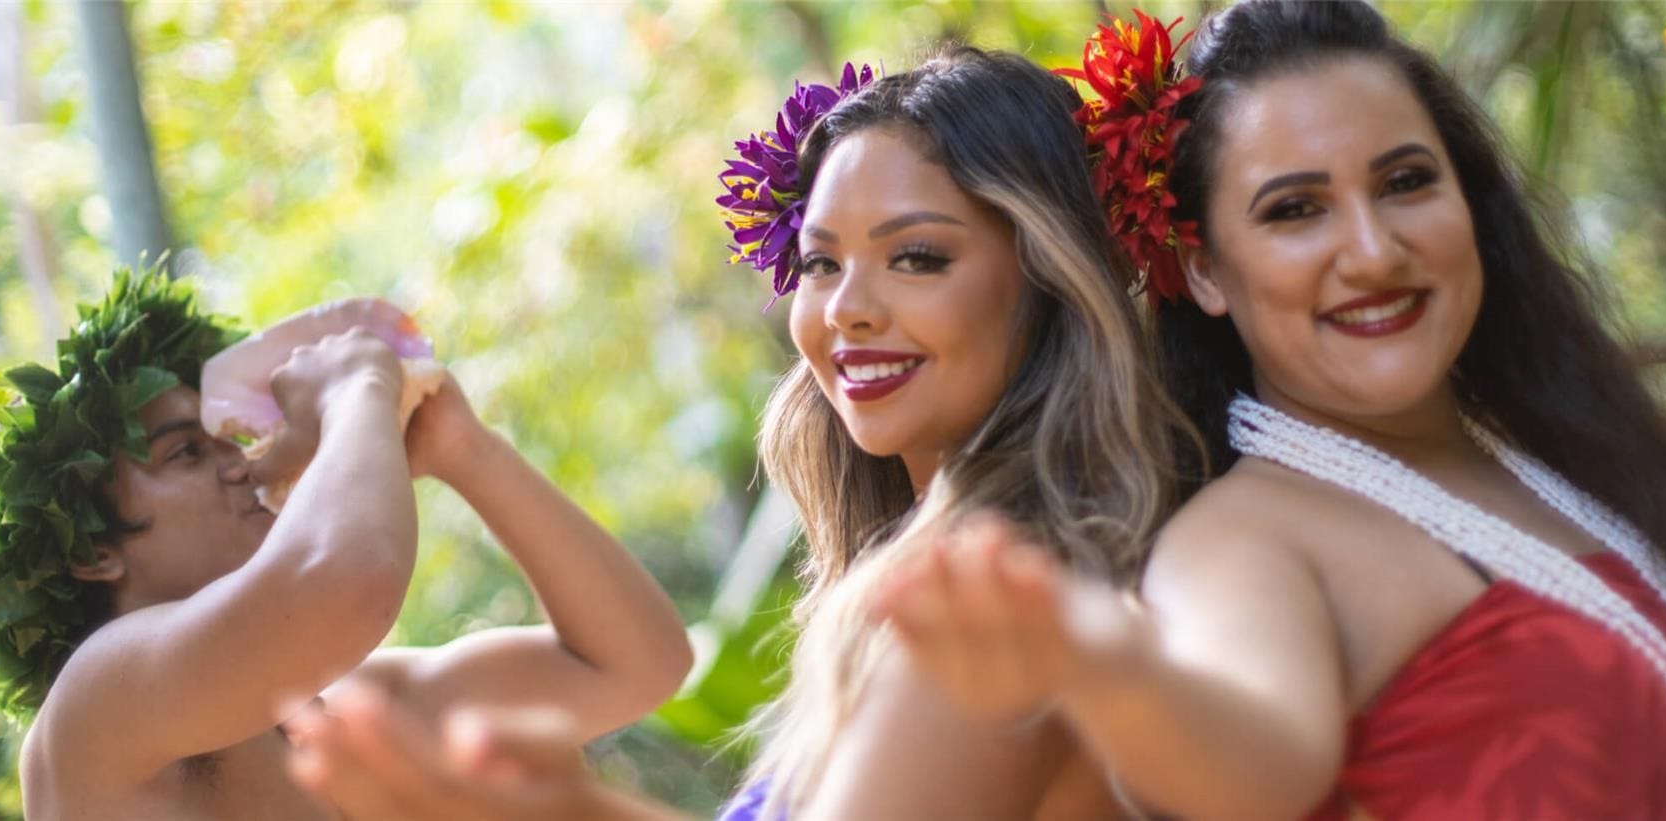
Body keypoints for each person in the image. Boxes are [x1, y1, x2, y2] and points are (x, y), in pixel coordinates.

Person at [877, 2, 1666, 819]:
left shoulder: (1567, 460)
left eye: (1405, 183)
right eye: (1295, 209)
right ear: (1202, 268)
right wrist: (1107, 665)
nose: (1373, 249)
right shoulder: (1244, 542)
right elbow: (1256, 757)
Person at [291, 41, 1202, 820]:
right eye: (820, 261)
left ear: (1051, 277)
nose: (847, 308)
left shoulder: (1013, 588)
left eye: (917, 257)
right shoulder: (933, 562)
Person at [0, 269, 692, 819]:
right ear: (93, 554)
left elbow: (636, 664)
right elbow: (345, 581)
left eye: (224, 438)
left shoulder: (341, 711)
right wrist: (358, 386)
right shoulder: (97, 703)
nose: (237, 458)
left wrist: (462, 448)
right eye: (186, 451)